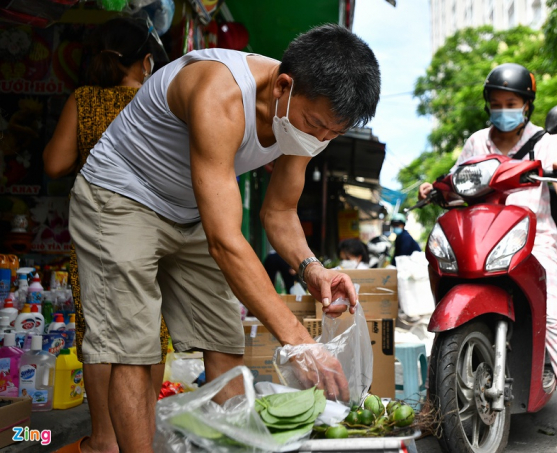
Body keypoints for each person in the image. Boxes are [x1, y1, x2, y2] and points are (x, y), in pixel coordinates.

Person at [68, 24, 380, 452]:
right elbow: (225, 241)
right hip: (121, 196)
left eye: (332, 134)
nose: (319, 140)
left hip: (190, 209)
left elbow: (280, 212)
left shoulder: (306, 122)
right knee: (135, 352)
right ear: (283, 86)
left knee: (224, 343)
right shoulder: (220, 92)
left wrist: (313, 269)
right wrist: (299, 341)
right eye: (316, 125)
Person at [418, 63, 557, 453]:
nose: (502, 110)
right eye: (496, 103)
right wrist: (434, 187)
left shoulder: (546, 140)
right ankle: (431, 402)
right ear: (487, 105)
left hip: (534, 238)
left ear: (527, 105)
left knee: (554, 317)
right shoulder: (476, 142)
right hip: (484, 233)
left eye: (511, 103)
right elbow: (459, 187)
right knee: (442, 295)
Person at [43, 17, 169, 453]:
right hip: (157, 233)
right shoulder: (160, 101)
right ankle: (141, 438)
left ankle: (104, 441)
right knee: (150, 333)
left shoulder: (85, 100)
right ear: (146, 62)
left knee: (100, 336)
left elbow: (56, 164)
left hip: (98, 230)